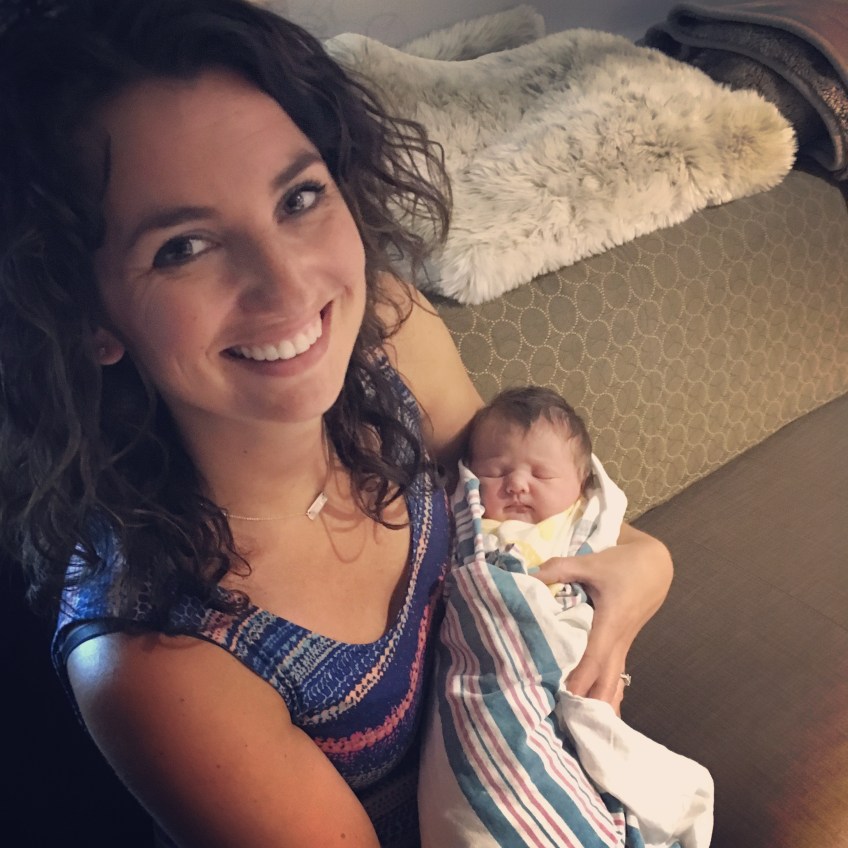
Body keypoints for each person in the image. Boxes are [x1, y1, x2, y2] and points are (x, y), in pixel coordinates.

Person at [0, 2, 673, 846]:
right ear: (84, 315)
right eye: (183, 247)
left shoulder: (385, 329)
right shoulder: (157, 659)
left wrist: (643, 565)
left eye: (299, 197)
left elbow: (528, 508)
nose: (289, 288)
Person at [416, 387, 713, 848]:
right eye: (496, 471)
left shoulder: (578, 523)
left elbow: (633, 558)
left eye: (541, 473)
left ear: (579, 485)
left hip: (562, 652)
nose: (517, 483)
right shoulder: (469, 521)